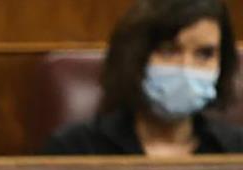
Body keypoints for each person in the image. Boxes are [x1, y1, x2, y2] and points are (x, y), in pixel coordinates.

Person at [43, 0, 243, 156]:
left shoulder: (236, 150)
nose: (186, 67)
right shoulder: (75, 148)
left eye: (204, 54)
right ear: (135, 57)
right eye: (169, 51)